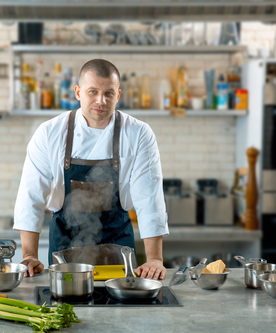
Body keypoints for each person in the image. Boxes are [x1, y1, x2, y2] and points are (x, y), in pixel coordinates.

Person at [13, 59, 168, 280]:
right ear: (77, 92)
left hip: (117, 246)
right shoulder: (49, 133)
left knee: (122, 312)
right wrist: (29, 255)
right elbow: (30, 195)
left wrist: (155, 259)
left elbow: (149, 197)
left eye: (109, 93)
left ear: (118, 95)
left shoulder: (138, 133)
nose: (100, 101)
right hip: (64, 247)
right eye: (92, 91)